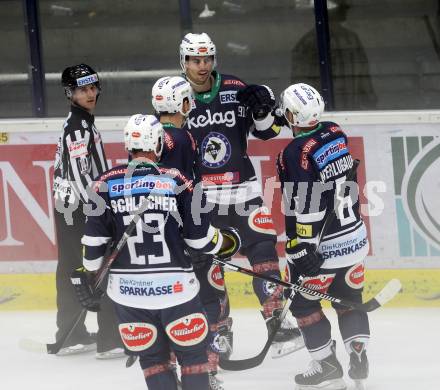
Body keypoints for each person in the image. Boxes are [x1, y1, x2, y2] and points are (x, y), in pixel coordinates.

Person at [72, 114, 241, 390]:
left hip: (128, 296)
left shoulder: (103, 184)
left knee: (153, 362)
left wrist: (89, 275)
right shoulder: (180, 180)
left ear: (128, 144)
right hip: (176, 291)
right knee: (193, 358)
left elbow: (91, 256)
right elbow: (201, 242)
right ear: (159, 143)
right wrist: (228, 241)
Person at [179, 32, 304, 359]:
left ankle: (278, 321)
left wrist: (263, 111)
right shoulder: (176, 96)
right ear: (184, 61)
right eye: (195, 59)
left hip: (244, 193)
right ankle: (219, 331)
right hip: (201, 201)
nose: (202, 65)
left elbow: (270, 131)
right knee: (208, 268)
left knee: (264, 252)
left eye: (206, 58)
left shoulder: (235, 88)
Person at [276, 83, 370, 390]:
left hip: (324, 249)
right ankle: (358, 350)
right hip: (354, 238)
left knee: (304, 306)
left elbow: (306, 204)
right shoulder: (335, 131)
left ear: (291, 114)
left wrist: (302, 248)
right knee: (349, 298)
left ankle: (326, 365)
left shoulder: (294, 152)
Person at [151, 75, 226, 388]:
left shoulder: (151, 135)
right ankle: (205, 370)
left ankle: (170, 366)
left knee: (172, 309)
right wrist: (198, 236)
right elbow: (186, 190)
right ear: (180, 103)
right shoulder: (182, 138)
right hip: (188, 233)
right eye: (187, 99)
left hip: (162, 237)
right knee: (207, 297)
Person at [52, 63, 124, 358]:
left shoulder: (80, 122)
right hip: (78, 206)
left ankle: (70, 333)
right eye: (83, 89)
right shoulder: (78, 127)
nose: (91, 93)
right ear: (70, 93)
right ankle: (109, 338)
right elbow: (82, 175)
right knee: (103, 263)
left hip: (69, 205)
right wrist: (99, 210)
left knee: (72, 266)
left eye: (93, 87)